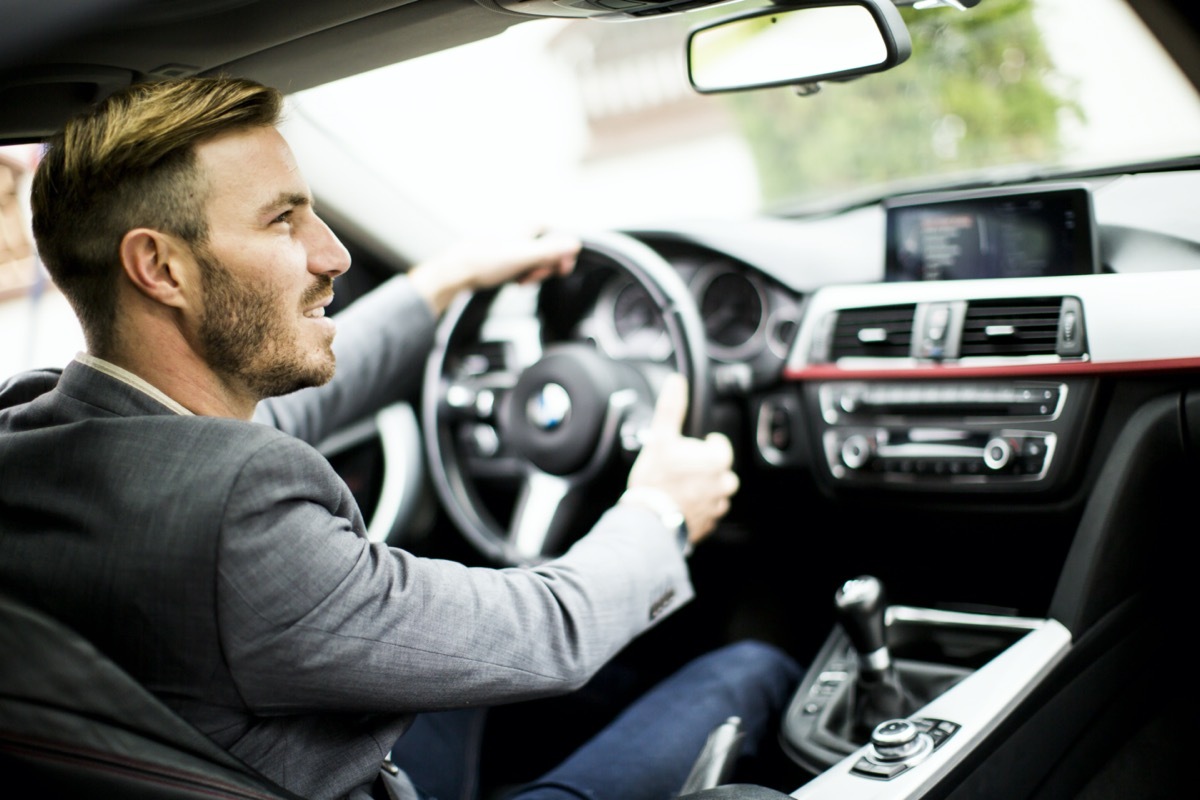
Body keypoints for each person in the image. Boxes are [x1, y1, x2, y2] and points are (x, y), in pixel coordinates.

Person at [0, 76, 802, 800]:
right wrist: (661, 511)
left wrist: (444, 281)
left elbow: (264, 426)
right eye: (283, 221)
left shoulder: (34, 432)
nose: (335, 254)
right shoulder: (235, 514)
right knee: (755, 669)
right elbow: (549, 632)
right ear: (161, 268)